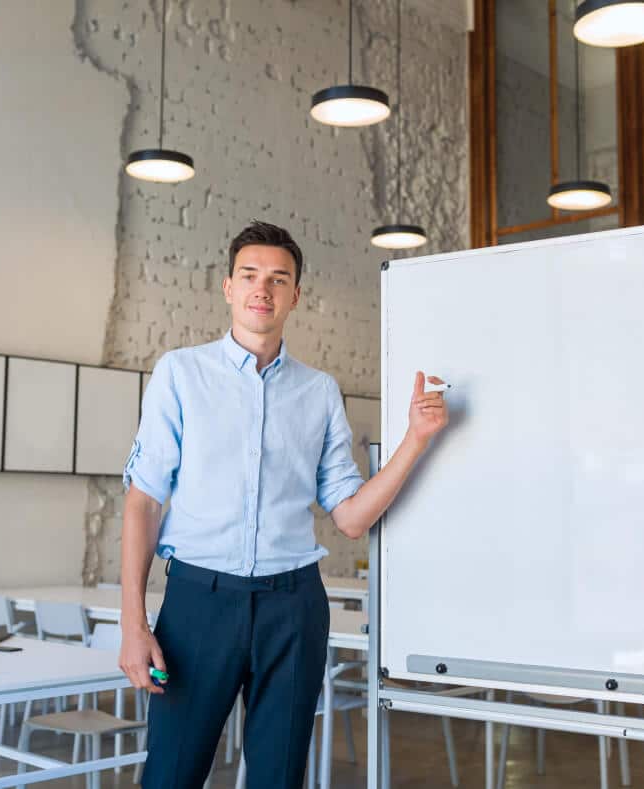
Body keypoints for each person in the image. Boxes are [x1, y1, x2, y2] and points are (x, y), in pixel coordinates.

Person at [119, 220, 449, 789]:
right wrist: (133, 620)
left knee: (278, 779)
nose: (262, 290)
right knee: (171, 776)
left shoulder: (318, 391)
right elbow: (144, 500)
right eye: (249, 275)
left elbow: (349, 516)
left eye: (278, 279)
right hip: (200, 604)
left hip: (293, 608)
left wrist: (415, 440)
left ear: (296, 295)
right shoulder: (180, 374)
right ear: (228, 287)